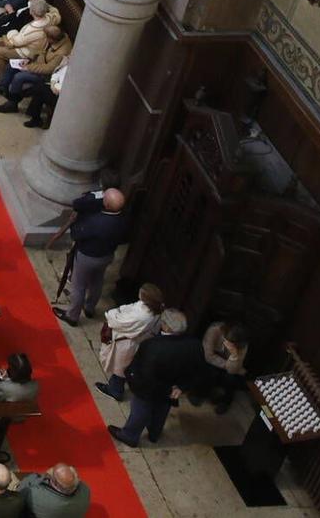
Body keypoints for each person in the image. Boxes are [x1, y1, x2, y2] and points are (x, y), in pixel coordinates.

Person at [112, 308, 212, 447]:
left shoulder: (152, 345)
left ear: (166, 326)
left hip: (150, 389)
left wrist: (130, 376)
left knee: (140, 411)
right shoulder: (195, 345)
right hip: (173, 389)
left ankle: (129, 436)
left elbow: (143, 372)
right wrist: (181, 387)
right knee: (161, 411)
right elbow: (199, 370)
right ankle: (154, 434)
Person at [56, 187, 130, 324]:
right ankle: (90, 308)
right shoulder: (124, 221)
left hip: (88, 256)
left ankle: (72, 315)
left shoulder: (96, 221)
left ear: (106, 204)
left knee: (79, 285)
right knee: (97, 281)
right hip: (106, 256)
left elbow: (77, 234)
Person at [95, 282, 166, 400]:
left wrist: (113, 313)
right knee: (124, 366)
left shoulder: (143, 316)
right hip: (139, 341)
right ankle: (116, 386)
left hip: (128, 343)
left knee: (120, 367)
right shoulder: (157, 310)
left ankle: (115, 390)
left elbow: (119, 322)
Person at [18, 465, 91, 518]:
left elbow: (21, 490)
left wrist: (41, 477)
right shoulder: (85, 490)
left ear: (55, 483)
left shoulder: (37, 495)